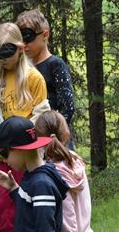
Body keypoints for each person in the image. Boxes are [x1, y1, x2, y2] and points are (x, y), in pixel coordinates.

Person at [0, 23, 50, 232]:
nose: (3, 59)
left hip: (27, 152)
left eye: (7, 53)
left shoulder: (34, 78)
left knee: (25, 200)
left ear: (21, 48)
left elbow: (42, 115)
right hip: (4, 152)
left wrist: (21, 136)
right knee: (1, 201)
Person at [15, 9, 76, 138]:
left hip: (54, 138)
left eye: (28, 38)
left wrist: (55, 134)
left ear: (45, 35)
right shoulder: (23, 69)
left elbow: (67, 107)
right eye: (21, 40)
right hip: (30, 136)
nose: (24, 45)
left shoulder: (55, 65)